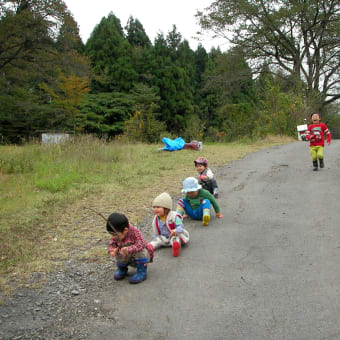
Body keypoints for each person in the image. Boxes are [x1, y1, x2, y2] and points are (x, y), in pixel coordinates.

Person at [107, 212, 154, 284]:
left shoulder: (135, 232)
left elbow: (141, 244)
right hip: (126, 258)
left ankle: (142, 272)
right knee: (119, 252)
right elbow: (111, 244)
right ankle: (122, 269)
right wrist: (112, 251)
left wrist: (129, 249)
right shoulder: (116, 236)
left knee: (141, 251)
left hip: (139, 258)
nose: (113, 237)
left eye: (115, 234)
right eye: (111, 234)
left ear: (125, 230)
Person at [148, 192, 189, 257]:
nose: (155, 209)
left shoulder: (174, 216)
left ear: (166, 208)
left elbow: (181, 227)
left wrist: (176, 230)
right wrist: (155, 236)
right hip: (163, 236)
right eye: (154, 207)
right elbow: (155, 229)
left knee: (176, 239)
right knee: (156, 241)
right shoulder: (156, 219)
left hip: (173, 235)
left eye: (158, 207)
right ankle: (149, 247)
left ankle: (176, 247)